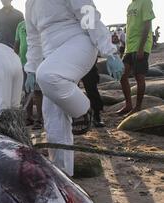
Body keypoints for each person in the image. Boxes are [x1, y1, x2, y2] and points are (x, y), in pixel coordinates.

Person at [24, 0, 123, 177]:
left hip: (78, 43)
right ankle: (62, 175)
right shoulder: (30, 3)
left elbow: (89, 15)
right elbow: (33, 39)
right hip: (51, 54)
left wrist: (109, 51)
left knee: (47, 75)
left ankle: (84, 110)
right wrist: (31, 69)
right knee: (52, 118)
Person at [118, 0, 155, 116]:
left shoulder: (145, 1)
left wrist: (141, 47)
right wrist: (125, 47)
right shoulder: (130, 5)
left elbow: (147, 24)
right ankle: (128, 105)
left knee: (139, 77)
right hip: (129, 47)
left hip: (141, 45)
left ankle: (137, 107)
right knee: (122, 76)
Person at [14, 20, 43, 129]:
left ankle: (39, 119)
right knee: (27, 91)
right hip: (23, 63)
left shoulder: (38, 22)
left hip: (37, 63)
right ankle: (28, 117)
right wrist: (14, 59)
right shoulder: (20, 25)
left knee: (38, 91)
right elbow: (17, 43)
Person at [82, 63, 106, 128]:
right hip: (70, 63)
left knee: (92, 90)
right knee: (70, 89)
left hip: (88, 64)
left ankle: (97, 115)